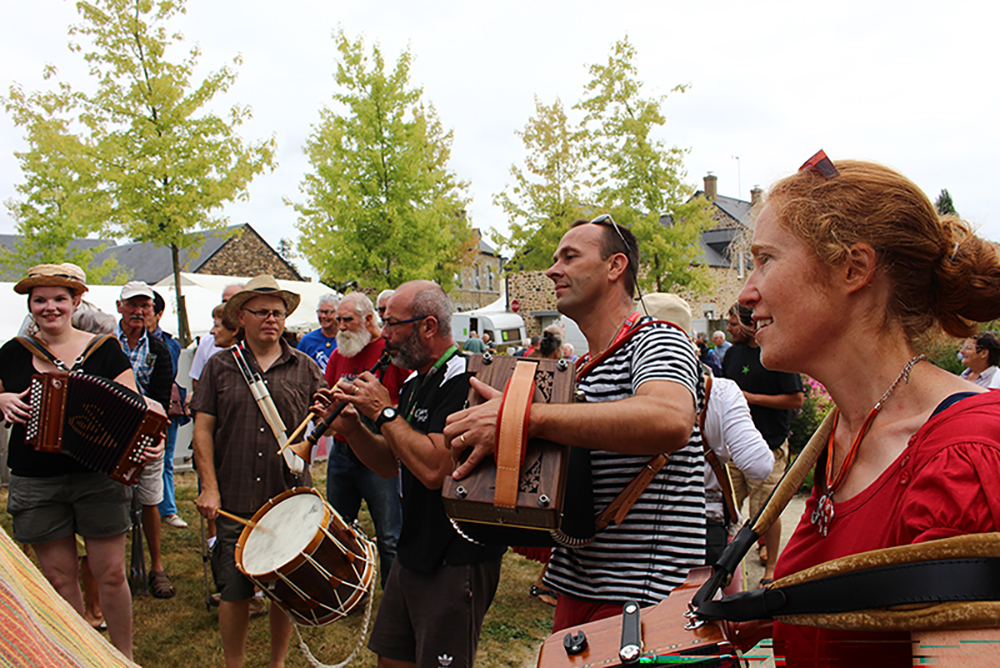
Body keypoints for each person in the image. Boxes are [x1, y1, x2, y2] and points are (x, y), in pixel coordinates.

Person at [736, 154, 1000, 666]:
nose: (748, 293)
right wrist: (773, 613)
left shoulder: (964, 457)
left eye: (766, 259)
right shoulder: (843, 432)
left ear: (853, 269)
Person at [445, 217, 706, 632]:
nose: (552, 270)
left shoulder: (658, 338)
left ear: (615, 266)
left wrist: (520, 419)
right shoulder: (579, 369)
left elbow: (669, 419)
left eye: (570, 257)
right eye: (554, 259)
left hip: (647, 596)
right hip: (578, 586)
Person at [316, 280, 505, 668]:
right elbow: (392, 462)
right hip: (415, 548)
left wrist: (383, 412)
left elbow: (436, 469)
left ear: (428, 327)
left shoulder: (466, 380)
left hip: (456, 557)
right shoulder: (418, 380)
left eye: (392, 324)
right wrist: (352, 428)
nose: (384, 335)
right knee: (393, 659)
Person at [0, 264, 165, 659]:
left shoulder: (103, 348)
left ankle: (122, 657)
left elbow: (137, 408)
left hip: (98, 477)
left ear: (76, 302)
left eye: (59, 299)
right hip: (36, 479)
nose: (50, 307)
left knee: (110, 574)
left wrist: (151, 443)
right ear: (31, 306)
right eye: (40, 300)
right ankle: (77, 656)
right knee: (58, 578)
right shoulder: (11, 353)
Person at [193, 275, 327, 668]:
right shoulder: (219, 366)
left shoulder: (304, 367)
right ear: (242, 317)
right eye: (262, 312)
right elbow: (202, 431)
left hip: (288, 497)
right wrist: (209, 488)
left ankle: (277, 663)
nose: (272, 319)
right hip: (233, 495)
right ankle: (233, 663)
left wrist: (329, 418)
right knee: (233, 591)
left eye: (278, 313)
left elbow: (324, 425)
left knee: (283, 589)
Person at [643, 293, 774, 575]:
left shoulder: (615, 390)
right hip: (701, 529)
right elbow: (759, 465)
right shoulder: (721, 392)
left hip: (630, 532)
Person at [322, 291, 407, 587]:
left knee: (389, 533)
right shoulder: (338, 355)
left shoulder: (392, 352)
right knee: (340, 529)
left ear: (369, 319)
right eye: (338, 320)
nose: (340, 327)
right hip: (342, 452)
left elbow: (408, 405)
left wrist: (375, 409)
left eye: (347, 320)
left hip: (380, 453)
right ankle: (348, 592)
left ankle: (395, 599)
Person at [722, 302, 804, 586]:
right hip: (732, 448)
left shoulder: (776, 355)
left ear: (749, 324)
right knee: (726, 507)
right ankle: (726, 564)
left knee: (764, 512)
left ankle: (772, 570)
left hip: (769, 445)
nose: (728, 328)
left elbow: (796, 400)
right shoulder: (732, 355)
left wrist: (752, 398)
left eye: (733, 324)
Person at [116, 280, 176, 599]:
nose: (139, 311)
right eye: (133, 305)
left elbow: (162, 397)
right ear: (120, 307)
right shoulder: (103, 344)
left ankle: (156, 567)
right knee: (111, 502)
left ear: (153, 311)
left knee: (150, 501)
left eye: (146, 306)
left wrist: (155, 433)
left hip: (146, 433)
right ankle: (112, 568)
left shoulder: (159, 349)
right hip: (109, 436)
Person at [147, 290, 190, 530]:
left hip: (163, 407)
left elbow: (166, 373)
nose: (142, 313)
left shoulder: (169, 343)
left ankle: (168, 509)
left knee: (165, 459)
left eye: (148, 308)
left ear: (159, 314)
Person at [188, 283, 245, 394]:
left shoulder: (253, 346)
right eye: (225, 301)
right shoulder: (208, 341)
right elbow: (197, 380)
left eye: (234, 302)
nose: (228, 307)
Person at [297, 293, 339, 370]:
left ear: (338, 313)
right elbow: (297, 368)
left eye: (327, 312)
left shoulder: (348, 340)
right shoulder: (307, 340)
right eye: (320, 312)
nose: (323, 316)